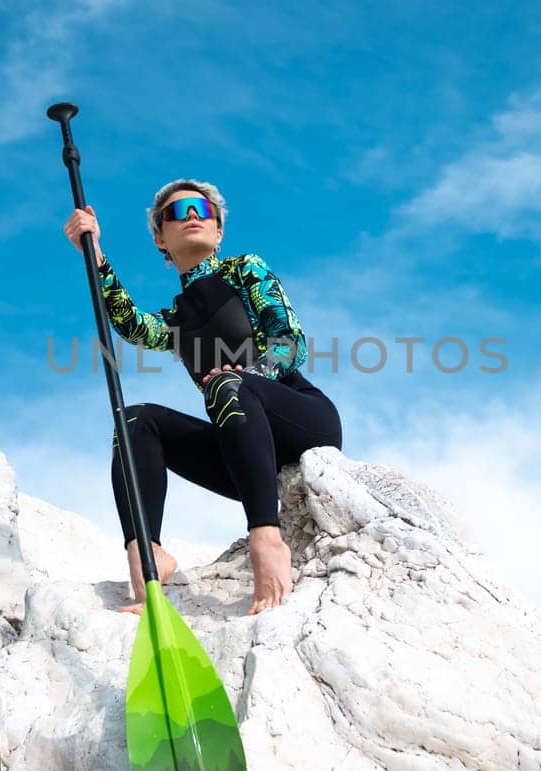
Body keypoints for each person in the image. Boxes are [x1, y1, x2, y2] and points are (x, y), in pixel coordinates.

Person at [62, 179, 344, 616]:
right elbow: (133, 325)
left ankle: (267, 542)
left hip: (300, 420)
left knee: (227, 384)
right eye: (177, 211)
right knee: (134, 419)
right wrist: (94, 254)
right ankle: (147, 558)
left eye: (203, 208)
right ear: (160, 237)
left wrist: (246, 376)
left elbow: (290, 343)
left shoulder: (244, 270)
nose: (192, 215)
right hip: (243, 451)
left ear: (218, 230)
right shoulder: (176, 319)